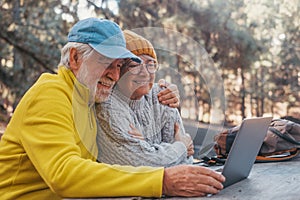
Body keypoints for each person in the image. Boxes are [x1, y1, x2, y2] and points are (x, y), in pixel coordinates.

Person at [0, 17, 225, 199]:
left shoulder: (90, 98)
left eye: (118, 66)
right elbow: (64, 174)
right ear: (75, 57)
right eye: (105, 62)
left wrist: (164, 92)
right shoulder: (50, 94)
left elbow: (136, 96)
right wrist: (162, 181)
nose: (114, 75)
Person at [96, 30, 194, 167]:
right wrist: (181, 147)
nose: (144, 73)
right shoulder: (108, 106)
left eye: (151, 64)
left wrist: (147, 147)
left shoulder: (163, 96)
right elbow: (138, 164)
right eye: (134, 65)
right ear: (119, 70)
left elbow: (186, 161)